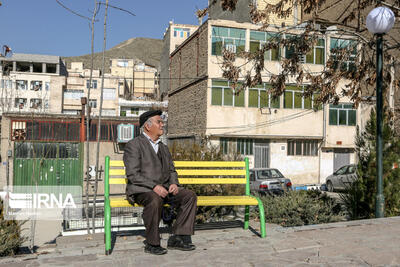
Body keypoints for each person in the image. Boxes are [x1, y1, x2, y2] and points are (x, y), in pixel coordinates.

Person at [123, 110, 197, 255]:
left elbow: (171, 170)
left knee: (189, 196)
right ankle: (152, 243)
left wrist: (174, 183)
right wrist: (154, 186)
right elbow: (133, 174)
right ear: (148, 126)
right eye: (159, 122)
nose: (162, 124)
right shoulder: (134, 145)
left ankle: (179, 238)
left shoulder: (163, 147)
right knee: (155, 199)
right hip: (142, 190)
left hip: (164, 188)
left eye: (162, 122)